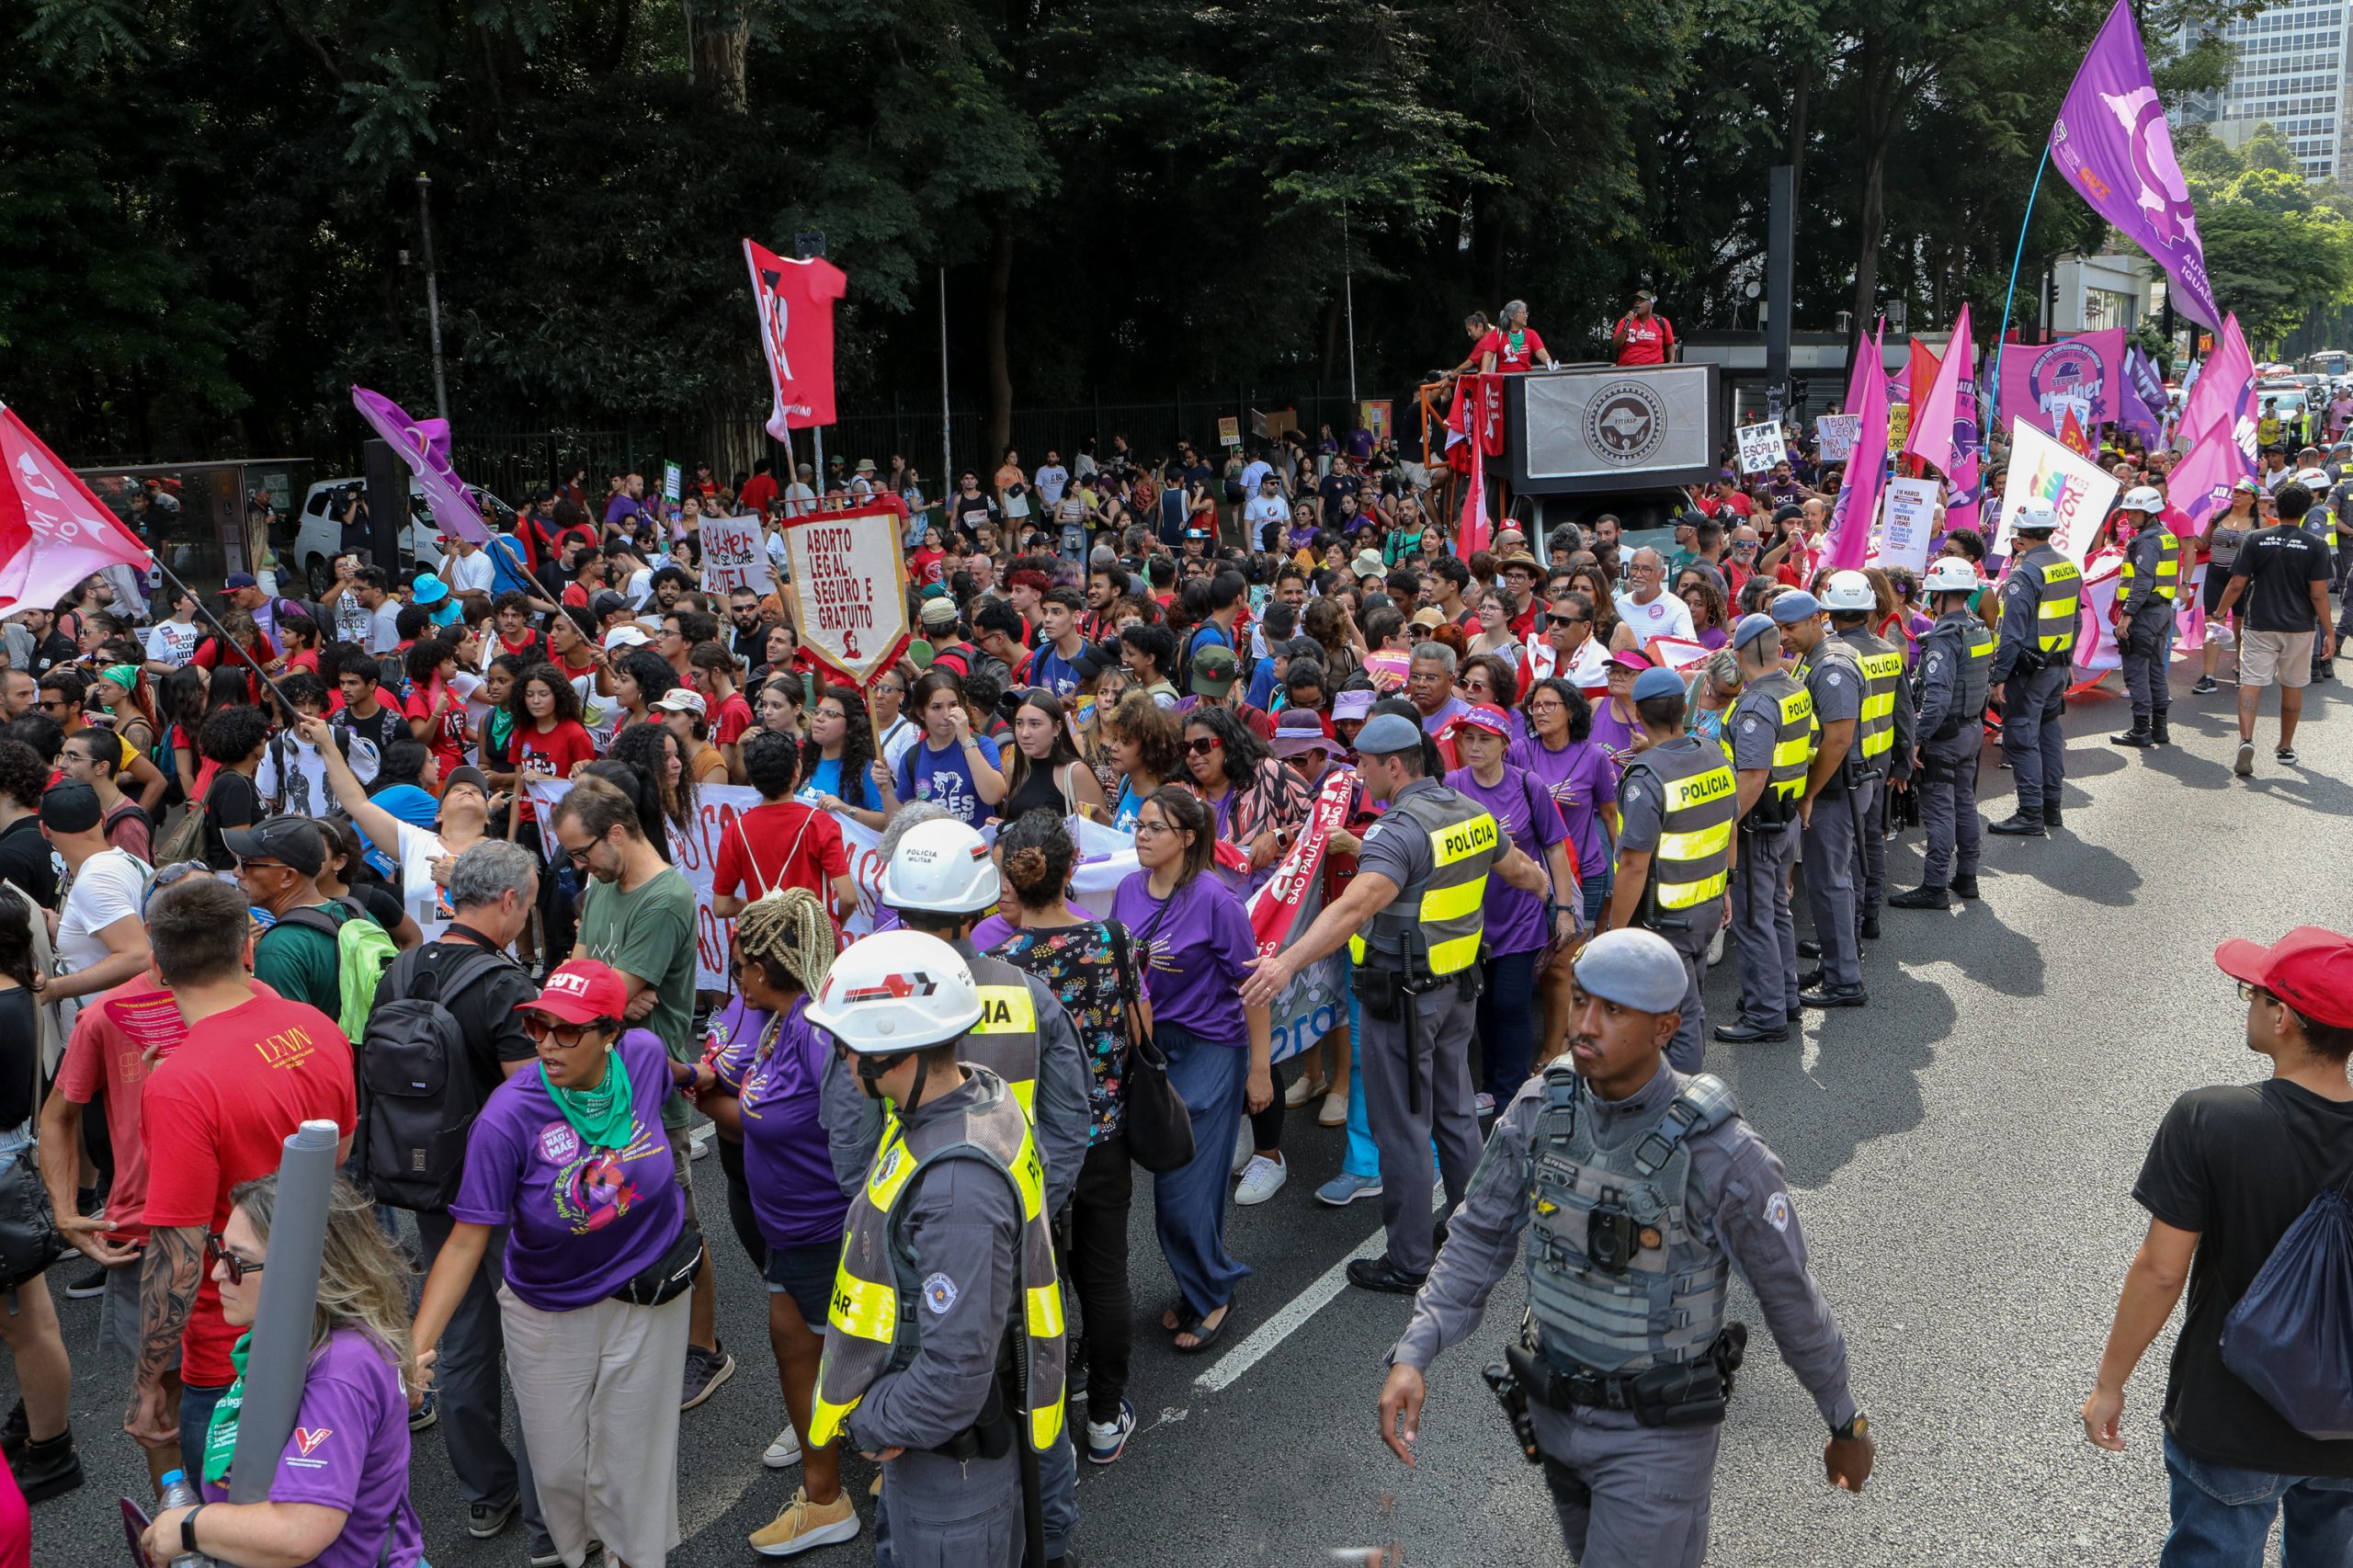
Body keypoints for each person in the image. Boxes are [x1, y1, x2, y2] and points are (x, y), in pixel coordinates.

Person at [1376, 929, 1873, 1567]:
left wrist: (1843, 1420)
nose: (1584, 1025)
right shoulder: (1540, 1110)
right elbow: (1477, 1235)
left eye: (1612, 1011)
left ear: (1665, 1027)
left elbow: (1790, 1299)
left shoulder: (1723, 1156)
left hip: (1657, 1443)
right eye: (1580, 1000)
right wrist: (1415, 1351)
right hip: (1555, 1415)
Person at [411, 960, 702, 1568]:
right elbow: (466, 1241)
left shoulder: (643, 1057)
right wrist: (414, 1349)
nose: (545, 1042)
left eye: (565, 1031)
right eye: (539, 1025)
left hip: (646, 1296)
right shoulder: (507, 1116)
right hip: (548, 1306)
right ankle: (580, 1545)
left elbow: (677, 1076)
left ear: (609, 1034)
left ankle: (633, 1556)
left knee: (631, 1468)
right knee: (561, 1471)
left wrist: (714, 1072)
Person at [1243, 713, 1547, 1294]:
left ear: (1395, 765)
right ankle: (1472, 1229)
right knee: (1455, 1115)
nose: (1357, 774)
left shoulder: (1397, 831)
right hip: (1457, 992)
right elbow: (1522, 871)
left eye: (1363, 763)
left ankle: (1410, 1261)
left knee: (1402, 1130)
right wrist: (1555, 900)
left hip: (1402, 1004)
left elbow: (1356, 907)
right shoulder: (1472, 815)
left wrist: (1286, 962)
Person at [2081, 926, 2353, 1564]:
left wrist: (2110, 1384)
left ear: (2283, 1017)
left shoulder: (2211, 1118)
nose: (2249, 1003)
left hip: (2232, 1415)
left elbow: (2160, 1272)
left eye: (2252, 993)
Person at [804, 930, 1068, 1568]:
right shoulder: (976, 1094)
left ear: (893, 1045)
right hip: (950, 1449)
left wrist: (870, 1423)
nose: (841, 1060)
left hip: (951, 1470)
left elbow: (954, 1374)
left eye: (849, 1045)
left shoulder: (956, 1187)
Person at [131, 874, 358, 1481]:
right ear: (248, 949)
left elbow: (178, 1258)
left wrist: (151, 1382)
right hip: (330, 1323)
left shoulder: (178, 1085)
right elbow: (338, 1160)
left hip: (232, 1357)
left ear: (157, 966)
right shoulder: (318, 1027)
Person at [366, 840, 548, 1551]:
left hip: (427, 1180)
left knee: (462, 1339)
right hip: (505, 1192)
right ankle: (548, 1505)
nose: (528, 913)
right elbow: (529, 1096)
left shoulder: (403, 966)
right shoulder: (504, 984)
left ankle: (485, 1493)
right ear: (507, 902)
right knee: (536, 1343)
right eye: (528, 902)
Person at [551, 778, 732, 1409]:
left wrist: (602, 997)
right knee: (610, 1209)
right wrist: (608, 999)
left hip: (653, 1090)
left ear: (619, 833)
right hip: (599, 1082)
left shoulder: (664, 899)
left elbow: (585, 994)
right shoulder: (603, 885)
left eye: (582, 852)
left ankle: (704, 1350)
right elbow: (572, 983)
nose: (579, 867)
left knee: (679, 1220)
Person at [139, 1173, 426, 1568]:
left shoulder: (338, 1373)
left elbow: (299, 1533)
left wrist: (188, 1526)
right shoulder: (286, 1340)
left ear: (305, 1272)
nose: (218, 1273)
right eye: (218, 1249)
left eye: (238, 1261)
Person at [699, 892, 862, 1557]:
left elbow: (857, 1131)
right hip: (791, 1232)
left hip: (827, 1231)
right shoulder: (775, 1022)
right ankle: (830, 1483)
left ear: (769, 969)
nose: (735, 978)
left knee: (855, 1352)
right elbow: (756, 1116)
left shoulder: (820, 1037)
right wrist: (699, 1084)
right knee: (798, 1343)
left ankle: (837, 1492)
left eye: (742, 966)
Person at [988, 811, 1140, 1466]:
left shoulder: (998, 963)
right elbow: (1140, 1030)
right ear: (1071, 870)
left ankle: (1042, 1425)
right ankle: (1104, 1416)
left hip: (1026, 1148)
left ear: (1009, 878)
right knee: (1104, 1277)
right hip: (1102, 1133)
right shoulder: (1111, 938)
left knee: (1034, 1288)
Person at [1443, 703, 1578, 1110]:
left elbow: (1554, 846)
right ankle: (1492, 1086)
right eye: (1468, 737)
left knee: (1511, 1004)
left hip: (1521, 916)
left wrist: (1565, 908)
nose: (1475, 746)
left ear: (1504, 744)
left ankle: (1515, 1091)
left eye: (1485, 739)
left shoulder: (1527, 784)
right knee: (1481, 1005)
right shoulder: (1451, 785)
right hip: (1471, 918)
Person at [1603, 668, 1735, 1069]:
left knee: (1677, 1018)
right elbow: (1729, 830)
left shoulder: (1646, 778)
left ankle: (1683, 1107)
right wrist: (1727, 887)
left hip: (1666, 921)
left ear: (1639, 715)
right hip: (1707, 906)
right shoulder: (1714, 754)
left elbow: (1632, 866)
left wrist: (1615, 932)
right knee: (1687, 1004)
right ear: (1684, 708)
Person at [0, 888, 74, 1503]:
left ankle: (49, 1447)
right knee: (30, 1317)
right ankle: (40, 1428)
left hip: (1, 1170)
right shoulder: (18, 987)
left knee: (26, 1324)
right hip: (11, 1160)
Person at [1711, 614, 1814, 1045]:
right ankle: (1784, 996)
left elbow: (1752, 776)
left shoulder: (1755, 703)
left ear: (1740, 654)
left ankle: (1766, 1013)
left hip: (1758, 825)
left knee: (1755, 920)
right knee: (1776, 913)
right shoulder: (1794, 688)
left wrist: (1725, 825)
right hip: (1785, 817)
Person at [1777, 590, 1870, 1008]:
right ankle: (1835, 966)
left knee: (1830, 884)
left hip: (1832, 792)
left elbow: (1838, 737)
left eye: (1790, 628)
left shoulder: (1831, 665)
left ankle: (1845, 981)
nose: (1784, 637)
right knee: (1827, 882)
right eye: (1779, 629)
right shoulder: (1817, 656)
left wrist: (1809, 794)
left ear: (1817, 619)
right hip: (1829, 789)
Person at [2212, 482, 2336, 776]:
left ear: (2277, 508)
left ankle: (2246, 740)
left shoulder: (2255, 538)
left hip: (2259, 623)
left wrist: (2219, 614)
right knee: (2293, 685)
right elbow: (2319, 594)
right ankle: (2284, 747)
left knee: (2251, 682)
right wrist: (2329, 633)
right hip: (2300, 626)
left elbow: (2237, 584)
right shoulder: (2315, 545)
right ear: (2306, 510)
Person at [1890, 560, 1993, 912]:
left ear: (1937, 594)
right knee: (1965, 804)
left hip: (1945, 737)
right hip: (1971, 730)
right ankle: (1967, 876)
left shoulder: (1943, 639)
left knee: (1940, 812)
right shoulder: (1979, 630)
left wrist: (1916, 738)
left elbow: (1935, 698)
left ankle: (1934, 885)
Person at [1822, 570, 1911, 941]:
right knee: (1872, 838)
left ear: (1831, 614)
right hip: (1882, 760)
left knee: (1846, 850)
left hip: (1847, 765)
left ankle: (1852, 926)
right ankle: (1869, 914)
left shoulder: (1832, 656)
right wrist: (1904, 763)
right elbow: (1904, 711)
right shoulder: (1889, 652)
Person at [1985, 500, 2079, 836]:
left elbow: (2010, 635)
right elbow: (2075, 619)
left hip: (2029, 671)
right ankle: (2052, 808)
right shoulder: (2068, 566)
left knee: (2021, 739)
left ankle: (2029, 813)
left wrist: (1998, 677)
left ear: (2020, 536)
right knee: (2049, 733)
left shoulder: (2024, 574)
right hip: (2056, 666)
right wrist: (2068, 660)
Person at [711, 731, 855, 920]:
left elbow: (721, 907)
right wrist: (836, 926)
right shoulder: (819, 823)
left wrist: (762, 902)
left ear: (753, 781)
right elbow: (848, 898)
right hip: (811, 941)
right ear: (796, 773)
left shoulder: (735, 831)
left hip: (762, 943)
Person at [2109, 486, 2182, 749]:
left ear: (2149, 512)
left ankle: (2141, 729)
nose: (2129, 515)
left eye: (2134, 511)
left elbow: (2142, 581)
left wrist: (2126, 616)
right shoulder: (2167, 536)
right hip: (2162, 611)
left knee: (2136, 672)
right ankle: (2159, 728)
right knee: (2155, 669)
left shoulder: (2146, 541)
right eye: (2128, 510)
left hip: (2144, 613)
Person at [1609, 288, 1677, 367]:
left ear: (1651, 304)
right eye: (1636, 301)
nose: (1637, 303)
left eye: (1641, 300)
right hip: (1627, 369)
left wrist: (1671, 361)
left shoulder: (1662, 322)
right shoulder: (1625, 321)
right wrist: (1626, 326)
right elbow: (1616, 345)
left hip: (1654, 370)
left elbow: (1670, 344)